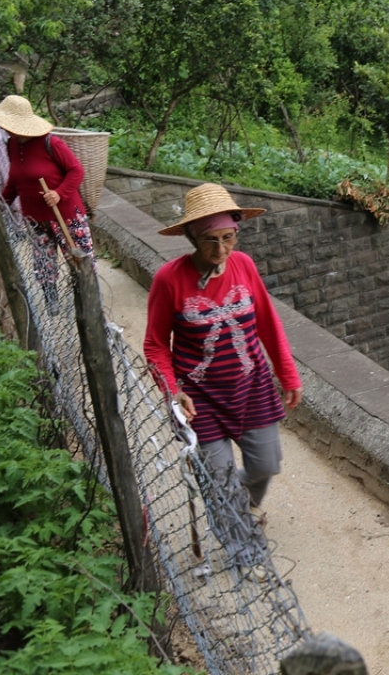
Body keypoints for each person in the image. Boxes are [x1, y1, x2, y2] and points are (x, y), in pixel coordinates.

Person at [144, 183, 302, 537]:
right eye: (210, 240)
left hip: (252, 387)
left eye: (229, 237)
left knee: (266, 465)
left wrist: (288, 375)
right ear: (191, 237)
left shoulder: (243, 265)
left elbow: (267, 322)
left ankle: (234, 504)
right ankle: (242, 546)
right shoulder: (169, 279)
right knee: (219, 479)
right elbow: (155, 344)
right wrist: (173, 391)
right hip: (199, 398)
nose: (221, 249)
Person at [0, 95, 92, 305]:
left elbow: (76, 170)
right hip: (35, 216)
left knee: (78, 259)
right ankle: (51, 298)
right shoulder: (11, 143)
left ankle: (87, 297)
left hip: (65, 214)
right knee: (43, 260)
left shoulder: (51, 142)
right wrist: (3, 201)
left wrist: (59, 193)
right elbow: (16, 177)